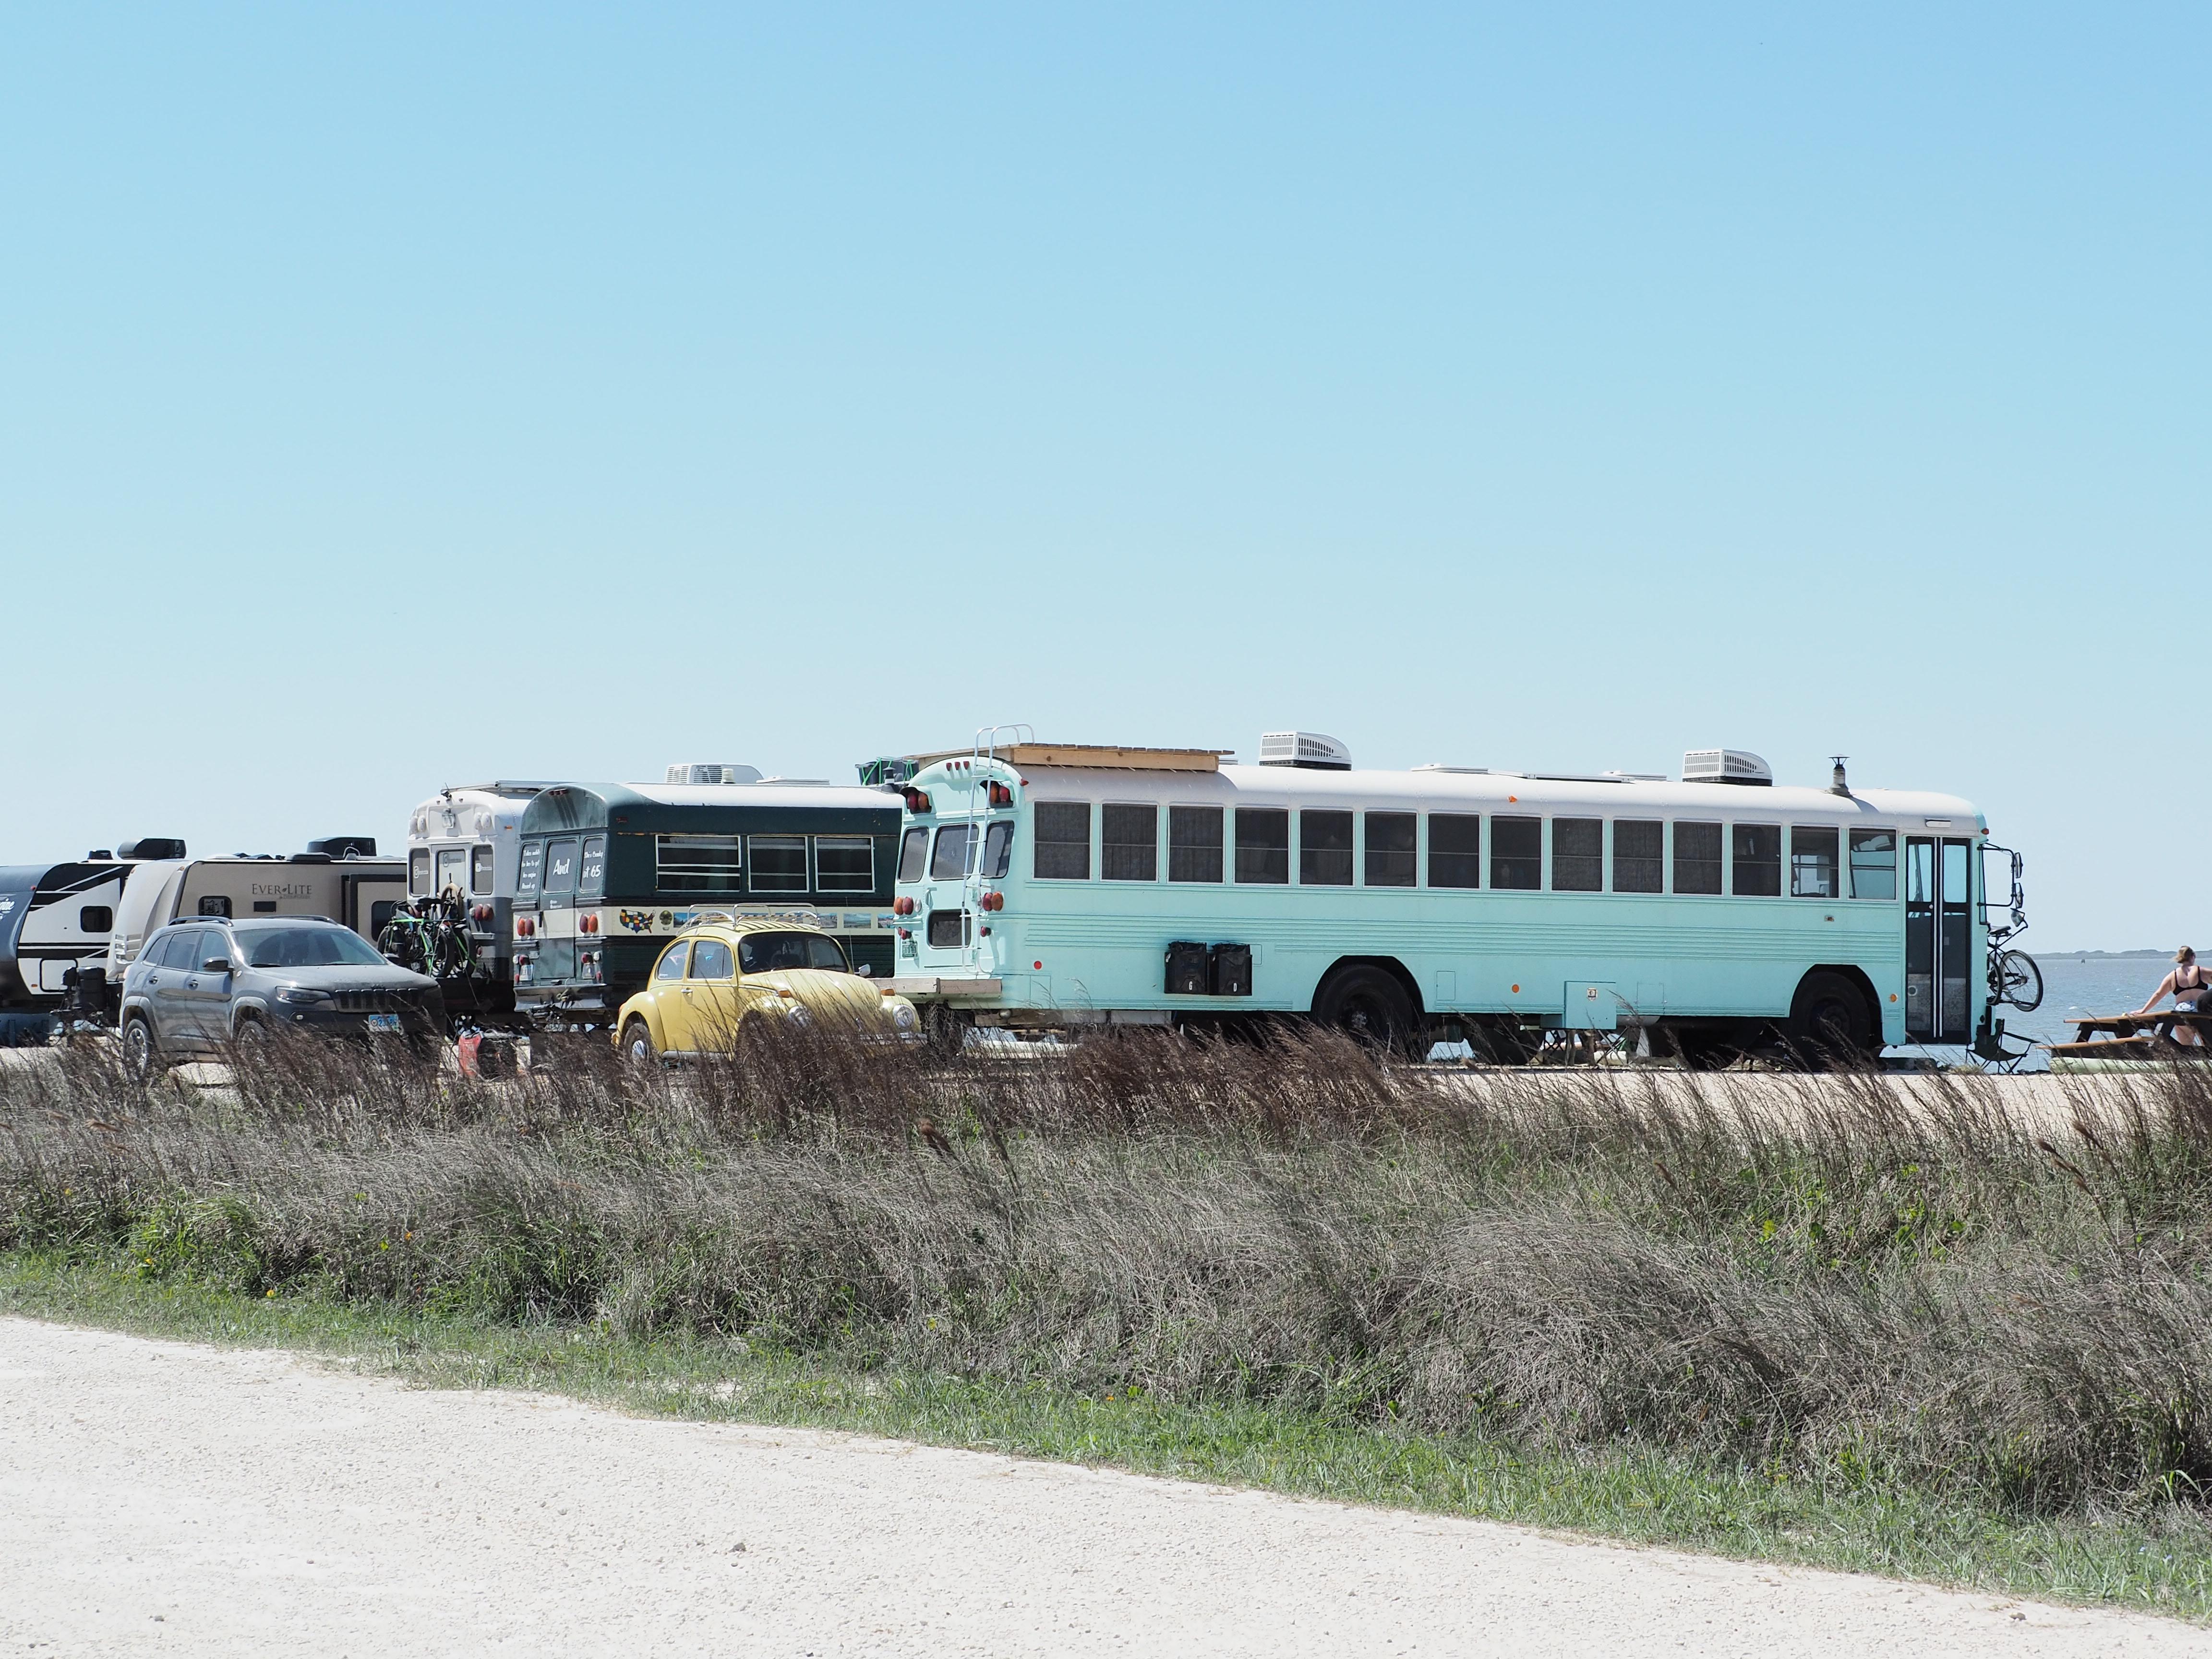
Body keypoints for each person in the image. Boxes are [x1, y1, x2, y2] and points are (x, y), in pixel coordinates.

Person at [2134, 948, 2207, 1047]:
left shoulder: (2173, 976)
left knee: (2187, 1047)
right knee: (2208, 1045)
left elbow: (2158, 995)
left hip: (2182, 1013)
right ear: (2193, 957)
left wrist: (2143, 1010)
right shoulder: (2202, 971)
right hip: (2201, 1012)